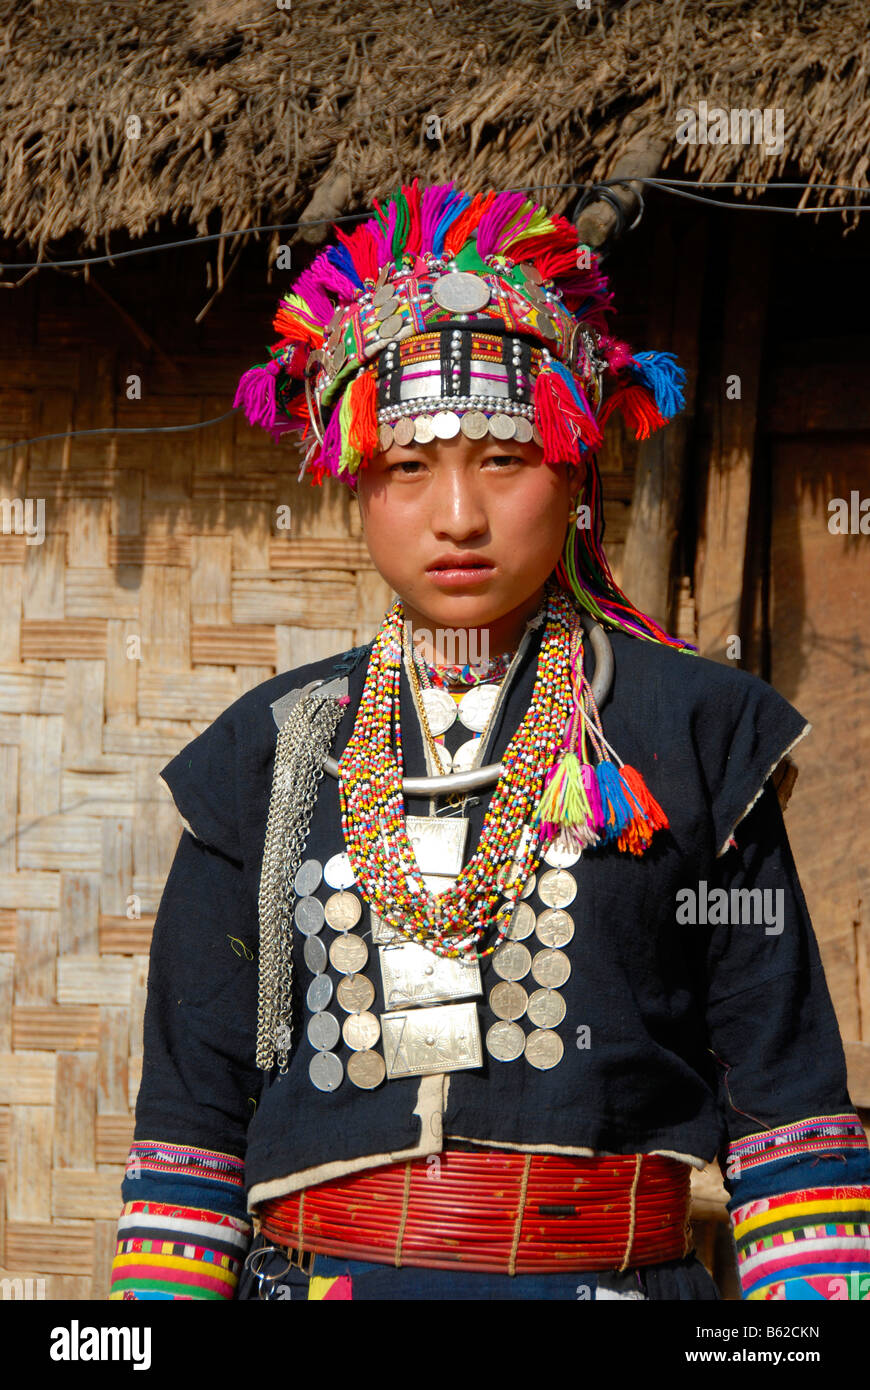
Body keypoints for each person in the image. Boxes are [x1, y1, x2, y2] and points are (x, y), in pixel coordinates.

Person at [109, 180, 870, 1301]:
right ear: (357, 489)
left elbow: (788, 1102)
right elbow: (191, 1116)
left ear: (573, 474)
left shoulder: (693, 730)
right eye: (408, 468)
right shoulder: (263, 756)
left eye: (503, 461)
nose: (456, 514)